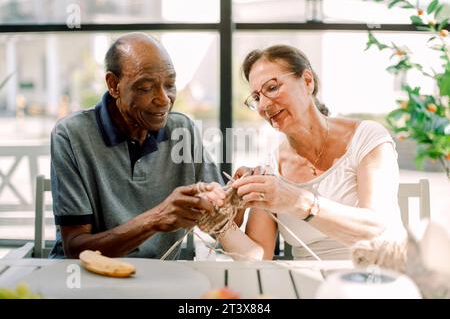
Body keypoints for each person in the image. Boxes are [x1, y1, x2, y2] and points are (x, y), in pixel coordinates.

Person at [219, 44, 406, 260]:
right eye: (256, 97)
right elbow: (258, 258)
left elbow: (377, 230)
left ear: (308, 81)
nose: (263, 106)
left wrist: (298, 201)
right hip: (310, 287)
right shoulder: (271, 168)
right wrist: (221, 223)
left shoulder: (367, 138)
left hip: (379, 278)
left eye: (272, 88)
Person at [49, 33, 225, 259]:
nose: (164, 99)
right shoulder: (71, 135)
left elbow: (222, 222)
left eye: (170, 84)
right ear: (114, 85)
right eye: (145, 88)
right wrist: (156, 219)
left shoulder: (183, 129)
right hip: (88, 278)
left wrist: (240, 194)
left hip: (158, 282)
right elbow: (76, 249)